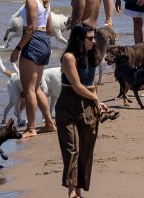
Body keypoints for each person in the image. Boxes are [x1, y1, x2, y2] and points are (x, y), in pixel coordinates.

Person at [54, 23, 111, 198]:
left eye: (94, 38)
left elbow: (92, 85)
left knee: (86, 149)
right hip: (67, 105)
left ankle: (79, 189)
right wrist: (94, 98)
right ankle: (71, 191)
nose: (94, 41)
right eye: (90, 38)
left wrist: (98, 103)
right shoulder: (69, 58)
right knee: (71, 148)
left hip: (88, 107)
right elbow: (77, 86)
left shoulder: (93, 55)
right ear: (80, 39)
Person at [11, 0, 57, 138]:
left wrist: (17, 49)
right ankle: (49, 123)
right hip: (45, 41)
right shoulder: (45, 1)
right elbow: (50, 27)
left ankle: (31, 128)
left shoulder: (31, 1)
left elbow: (30, 28)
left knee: (29, 89)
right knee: (36, 88)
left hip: (34, 40)